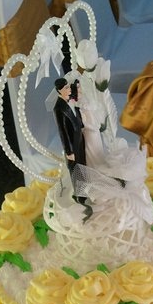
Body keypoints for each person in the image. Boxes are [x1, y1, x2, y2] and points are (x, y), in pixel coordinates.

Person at [53, 77, 89, 211]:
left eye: (69, 87)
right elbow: (62, 132)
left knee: (82, 164)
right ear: (59, 91)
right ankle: (80, 196)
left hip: (78, 138)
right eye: (66, 88)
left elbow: (75, 115)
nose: (69, 90)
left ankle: (84, 191)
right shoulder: (58, 108)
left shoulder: (70, 101)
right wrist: (69, 151)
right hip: (72, 144)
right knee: (75, 168)